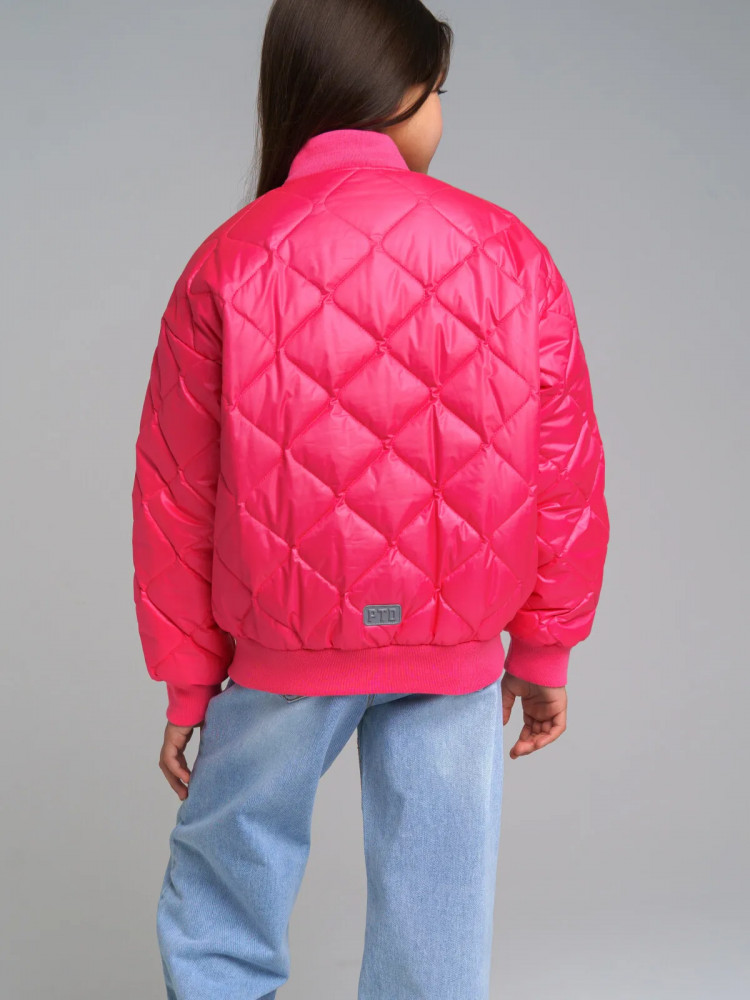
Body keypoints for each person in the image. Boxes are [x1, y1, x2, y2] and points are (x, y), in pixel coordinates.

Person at [130, 1, 610, 997]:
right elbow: (562, 468)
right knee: (437, 922)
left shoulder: (229, 259)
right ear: (397, 95)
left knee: (224, 891)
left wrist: (189, 680)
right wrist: (544, 646)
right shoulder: (508, 250)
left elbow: (176, 493)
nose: (441, 113)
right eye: (438, 90)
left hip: (280, 649)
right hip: (457, 645)